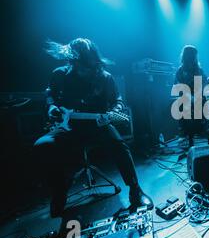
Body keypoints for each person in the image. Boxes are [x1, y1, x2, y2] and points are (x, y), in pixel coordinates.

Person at [34, 38, 153, 218]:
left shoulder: (104, 78)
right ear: (72, 61)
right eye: (80, 66)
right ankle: (59, 194)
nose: (84, 71)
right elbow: (50, 95)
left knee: (119, 145)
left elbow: (118, 101)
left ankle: (135, 190)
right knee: (42, 146)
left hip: (98, 126)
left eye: (87, 67)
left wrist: (114, 112)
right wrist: (51, 108)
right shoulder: (59, 75)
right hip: (68, 128)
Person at [174, 45, 209, 147]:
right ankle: (188, 139)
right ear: (190, 56)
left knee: (206, 112)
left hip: (199, 98)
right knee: (189, 118)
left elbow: (206, 81)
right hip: (187, 100)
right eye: (195, 55)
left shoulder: (199, 69)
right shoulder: (180, 70)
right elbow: (178, 86)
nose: (196, 57)